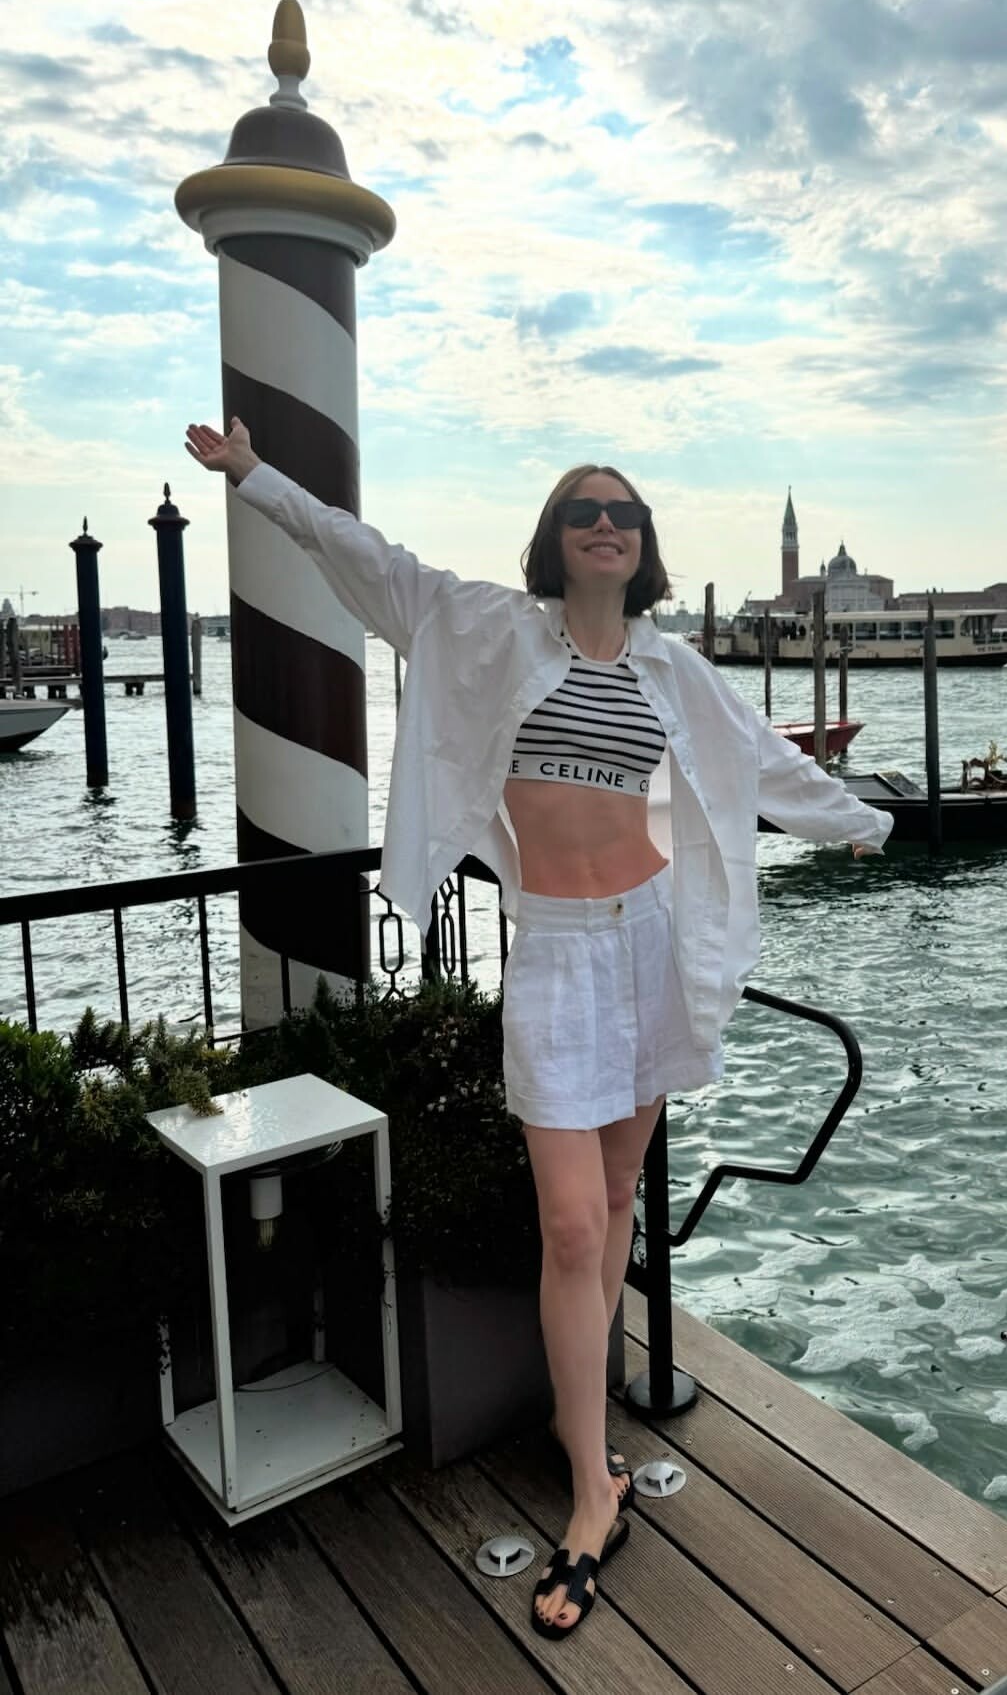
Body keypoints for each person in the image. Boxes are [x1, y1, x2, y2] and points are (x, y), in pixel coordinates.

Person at [183, 417, 893, 1640]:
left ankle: (588, 1428)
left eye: (624, 513)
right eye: (584, 511)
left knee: (612, 1207)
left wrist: (869, 822)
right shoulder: (489, 628)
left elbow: (762, 764)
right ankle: (590, 1488)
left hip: (652, 943)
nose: (605, 526)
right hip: (558, 954)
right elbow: (366, 561)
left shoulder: (673, 669)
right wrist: (257, 478)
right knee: (570, 1223)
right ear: (555, 539)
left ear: (644, 545)